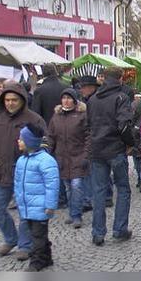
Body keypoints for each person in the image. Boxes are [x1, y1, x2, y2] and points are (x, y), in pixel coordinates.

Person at [0, 81, 46, 260]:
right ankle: (11, 238)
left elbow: (46, 142)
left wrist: (35, 162)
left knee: (25, 211)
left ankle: (25, 245)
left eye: (14, 100)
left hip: (25, 174)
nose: (10, 103)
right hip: (0, 171)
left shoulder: (34, 119)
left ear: (22, 100)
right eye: (7, 100)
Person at [87, 67, 134, 246]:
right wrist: (129, 143)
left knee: (99, 191)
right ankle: (119, 229)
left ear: (104, 79)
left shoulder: (92, 99)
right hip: (115, 149)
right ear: (120, 79)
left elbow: (89, 124)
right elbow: (123, 125)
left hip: (97, 149)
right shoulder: (121, 98)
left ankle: (98, 233)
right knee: (122, 189)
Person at [14, 124, 60, 271]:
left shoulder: (46, 161)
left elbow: (52, 185)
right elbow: (18, 183)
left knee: (37, 236)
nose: (18, 141)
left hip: (40, 207)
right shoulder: (22, 160)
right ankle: (47, 257)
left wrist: (50, 205)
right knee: (37, 235)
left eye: (21, 139)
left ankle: (37, 261)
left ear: (30, 142)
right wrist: (18, 200)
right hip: (27, 207)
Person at [46, 88, 90, 229]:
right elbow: (51, 136)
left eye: (69, 98)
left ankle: (77, 215)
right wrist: (47, 152)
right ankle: (72, 212)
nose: (66, 100)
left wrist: (86, 155)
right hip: (62, 158)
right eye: (64, 98)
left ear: (75, 100)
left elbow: (88, 136)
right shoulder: (56, 117)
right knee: (68, 188)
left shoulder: (82, 116)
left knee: (76, 186)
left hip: (78, 156)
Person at [78, 75, 100, 212]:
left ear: (90, 87)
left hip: (94, 139)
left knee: (92, 171)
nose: (81, 90)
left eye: (83, 87)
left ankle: (89, 199)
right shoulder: (88, 99)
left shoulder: (93, 101)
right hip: (92, 139)